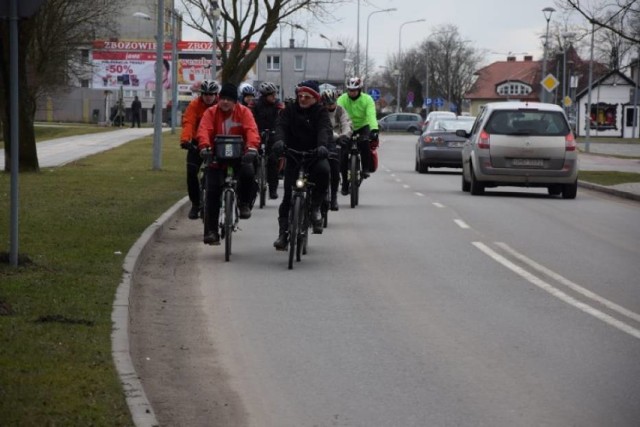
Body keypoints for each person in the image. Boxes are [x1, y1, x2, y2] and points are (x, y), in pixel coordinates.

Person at [196, 82, 260, 245]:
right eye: (223, 98)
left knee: (249, 173)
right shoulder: (211, 113)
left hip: (240, 157)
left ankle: (244, 203)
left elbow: (251, 130)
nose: (225, 102)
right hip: (216, 158)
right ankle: (211, 231)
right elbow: (204, 130)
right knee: (212, 192)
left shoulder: (244, 112)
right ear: (219, 99)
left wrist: (251, 148)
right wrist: (204, 147)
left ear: (235, 101)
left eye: (229, 99)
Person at [272, 80, 331, 250]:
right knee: (288, 196)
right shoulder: (289, 109)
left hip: (314, 155)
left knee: (324, 170)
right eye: (301, 96)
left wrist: (322, 146)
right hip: (293, 154)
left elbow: (324, 129)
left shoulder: (320, 112)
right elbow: (281, 127)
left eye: (307, 96)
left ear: (315, 98)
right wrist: (279, 142)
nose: (303, 99)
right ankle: (283, 233)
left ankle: (315, 208)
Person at [180, 80, 220, 220]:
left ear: (216, 95)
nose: (208, 97)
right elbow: (188, 122)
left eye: (211, 94)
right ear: (201, 94)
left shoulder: (222, 105)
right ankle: (196, 204)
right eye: (205, 94)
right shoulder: (194, 105)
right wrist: (185, 140)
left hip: (217, 143)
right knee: (191, 171)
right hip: (198, 142)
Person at [336, 76, 379, 195]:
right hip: (347, 127)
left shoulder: (367, 99)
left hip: (362, 126)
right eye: (349, 90)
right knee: (344, 154)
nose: (352, 92)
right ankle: (345, 182)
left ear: (359, 90)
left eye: (354, 90)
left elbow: (371, 115)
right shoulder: (342, 99)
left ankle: (365, 169)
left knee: (365, 143)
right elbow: (337, 115)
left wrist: (374, 129)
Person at [252, 81, 285, 199]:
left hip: (273, 134)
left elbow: (282, 117)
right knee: (253, 158)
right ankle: (253, 186)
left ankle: (273, 189)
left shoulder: (277, 105)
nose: (274, 97)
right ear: (265, 96)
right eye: (272, 95)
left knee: (273, 160)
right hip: (257, 134)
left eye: (275, 94)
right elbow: (251, 120)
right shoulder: (255, 105)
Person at [321, 88, 352, 211]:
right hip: (323, 141)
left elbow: (346, 124)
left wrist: (345, 135)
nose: (331, 106)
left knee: (335, 169)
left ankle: (333, 197)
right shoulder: (320, 111)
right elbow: (323, 128)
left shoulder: (340, 110)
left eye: (333, 103)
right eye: (328, 104)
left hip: (338, 141)